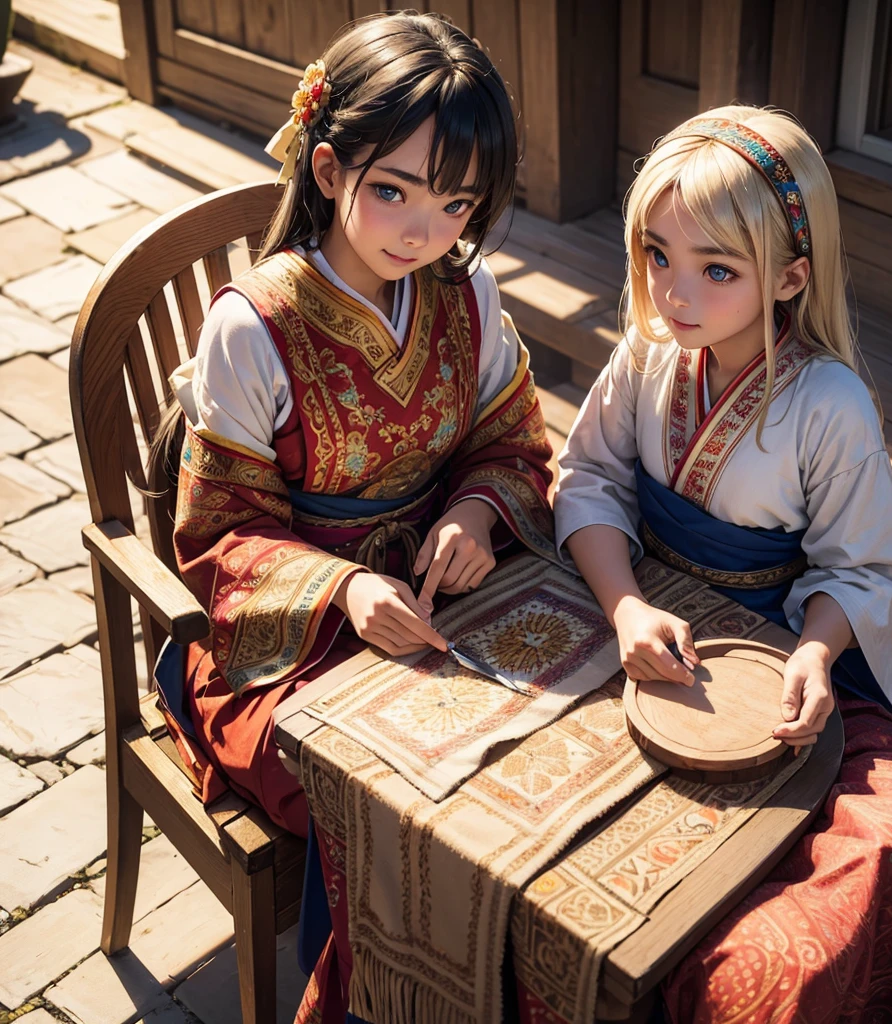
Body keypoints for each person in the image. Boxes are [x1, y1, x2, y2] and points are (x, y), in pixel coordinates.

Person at [551, 106, 892, 1021]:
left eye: (715, 269)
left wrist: (813, 654)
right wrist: (624, 610)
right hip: (652, 641)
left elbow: (861, 571)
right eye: (657, 255)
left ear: (791, 277)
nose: (673, 293)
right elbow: (590, 481)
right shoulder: (647, 355)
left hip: (784, 665)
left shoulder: (830, 403)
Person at [152, 12, 554, 1021]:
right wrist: (345, 586)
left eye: (456, 203)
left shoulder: (467, 296)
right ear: (328, 170)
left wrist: (471, 510)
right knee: (395, 802)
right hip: (284, 648)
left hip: (435, 599)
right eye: (394, 191)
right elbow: (216, 536)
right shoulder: (254, 326)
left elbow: (510, 441)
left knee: (533, 762)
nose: (424, 231)